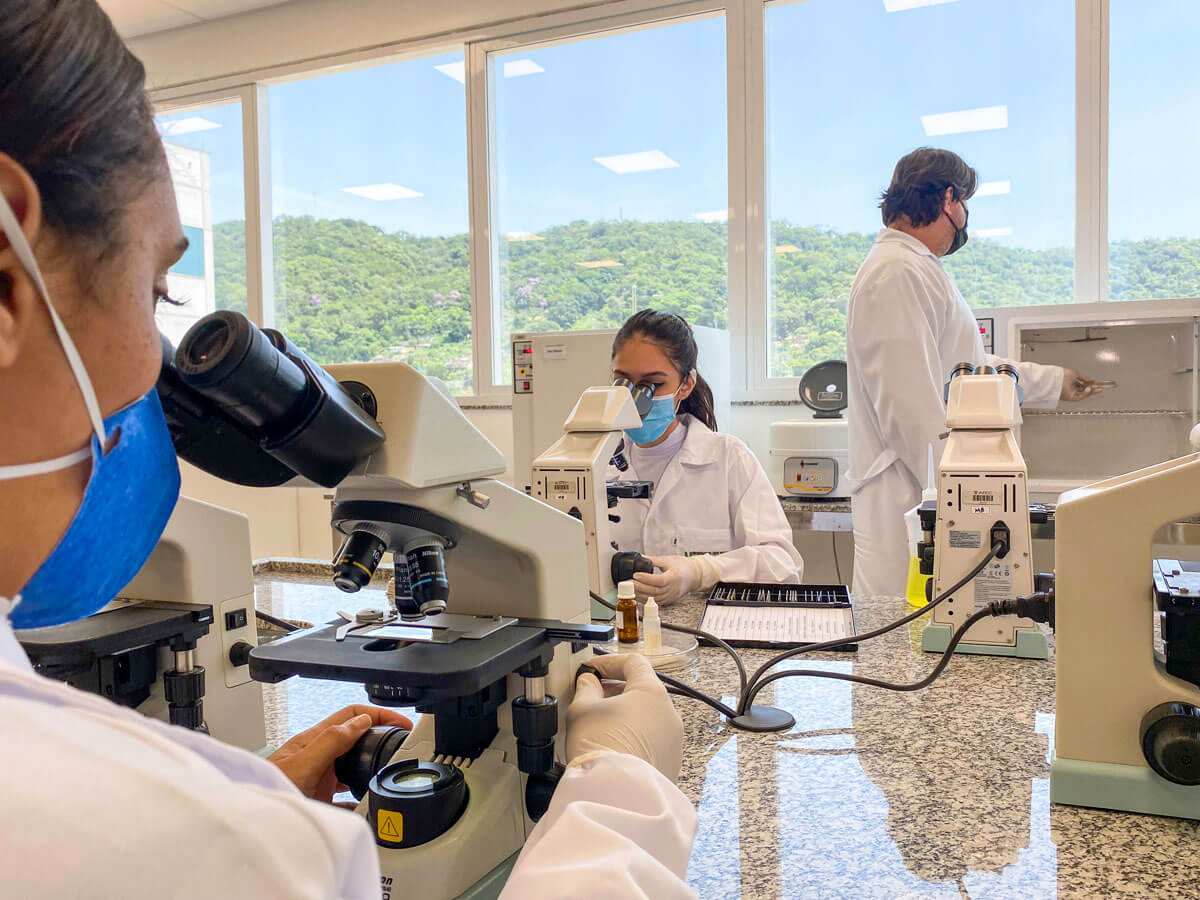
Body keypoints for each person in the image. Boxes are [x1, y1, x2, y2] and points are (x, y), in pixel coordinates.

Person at [0, 3, 696, 896]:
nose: (158, 369)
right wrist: (622, 789)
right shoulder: (209, 849)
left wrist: (248, 794)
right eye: (157, 290)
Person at [846, 148, 1098, 598]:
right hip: (907, 496)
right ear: (948, 199)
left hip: (928, 492)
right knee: (899, 624)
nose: (964, 217)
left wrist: (1053, 381)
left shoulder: (918, 268)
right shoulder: (894, 272)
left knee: (937, 617)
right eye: (964, 202)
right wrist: (964, 494)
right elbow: (909, 409)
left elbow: (967, 369)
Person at [609, 310, 804, 605]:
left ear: (685, 385)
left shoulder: (729, 459)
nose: (637, 400)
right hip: (617, 625)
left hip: (706, 628)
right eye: (624, 383)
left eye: (653, 386)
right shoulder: (596, 462)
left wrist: (701, 571)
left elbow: (784, 564)